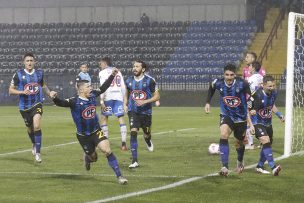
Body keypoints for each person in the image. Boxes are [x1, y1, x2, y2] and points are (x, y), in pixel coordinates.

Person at [49, 68, 128, 185]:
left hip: (96, 131)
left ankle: (119, 176)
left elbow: (103, 88)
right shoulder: (74, 101)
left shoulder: (92, 95)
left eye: (90, 86)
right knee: (94, 158)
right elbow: (60, 103)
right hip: (83, 136)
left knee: (107, 150)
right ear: (81, 90)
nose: (91, 88)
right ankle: (87, 158)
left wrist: (112, 75)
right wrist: (54, 97)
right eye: (88, 87)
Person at [204, 63, 254, 177]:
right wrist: (207, 102)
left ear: (235, 75)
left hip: (241, 118)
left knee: (239, 143)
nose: (229, 77)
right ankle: (225, 166)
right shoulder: (218, 82)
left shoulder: (242, 83)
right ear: (224, 74)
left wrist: (251, 109)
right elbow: (211, 88)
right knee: (223, 134)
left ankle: (240, 161)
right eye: (227, 75)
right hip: (226, 115)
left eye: (231, 75)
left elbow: (251, 96)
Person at [9, 53, 51, 163]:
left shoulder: (39, 73)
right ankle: (33, 143)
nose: (29, 63)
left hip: (37, 103)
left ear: (34, 62)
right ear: (24, 62)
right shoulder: (18, 74)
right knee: (30, 128)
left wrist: (49, 93)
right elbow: (10, 90)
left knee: (37, 125)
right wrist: (22, 91)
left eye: (31, 60)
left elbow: (43, 85)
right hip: (24, 107)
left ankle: (38, 153)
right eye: (27, 61)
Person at [124, 60, 160, 169]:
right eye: (133, 66)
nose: (134, 68)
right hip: (133, 111)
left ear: (143, 69)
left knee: (147, 133)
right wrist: (125, 104)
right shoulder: (129, 80)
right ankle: (134, 160)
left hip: (146, 112)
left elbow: (157, 96)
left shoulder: (150, 81)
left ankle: (148, 141)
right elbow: (127, 92)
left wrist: (144, 101)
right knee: (133, 132)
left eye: (137, 66)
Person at [249, 75, 284, 176]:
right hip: (257, 122)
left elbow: (271, 105)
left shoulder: (274, 93)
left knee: (267, 144)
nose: (272, 88)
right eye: (269, 86)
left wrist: (279, 115)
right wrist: (250, 124)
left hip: (268, 123)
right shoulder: (256, 95)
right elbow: (247, 109)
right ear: (263, 85)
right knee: (266, 140)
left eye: (273, 85)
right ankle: (273, 167)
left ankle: (259, 166)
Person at [98, 57, 128, 151]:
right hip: (118, 97)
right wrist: (124, 100)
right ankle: (123, 144)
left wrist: (102, 101)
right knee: (121, 118)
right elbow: (123, 87)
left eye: (101, 63)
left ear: (104, 63)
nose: (100, 65)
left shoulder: (102, 73)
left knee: (104, 119)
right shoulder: (118, 71)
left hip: (108, 98)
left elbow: (102, 87)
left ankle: (106, 143)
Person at [243, 52, 266, 149]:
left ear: (252, 68)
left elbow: (249, 90)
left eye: (250, 67)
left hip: (252, 100)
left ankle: (250, 143)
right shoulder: (261, 77)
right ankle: (262, 141)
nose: (248, 68)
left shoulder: (251, 79)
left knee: (247, 118)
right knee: (261, 119)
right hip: (262, 100)